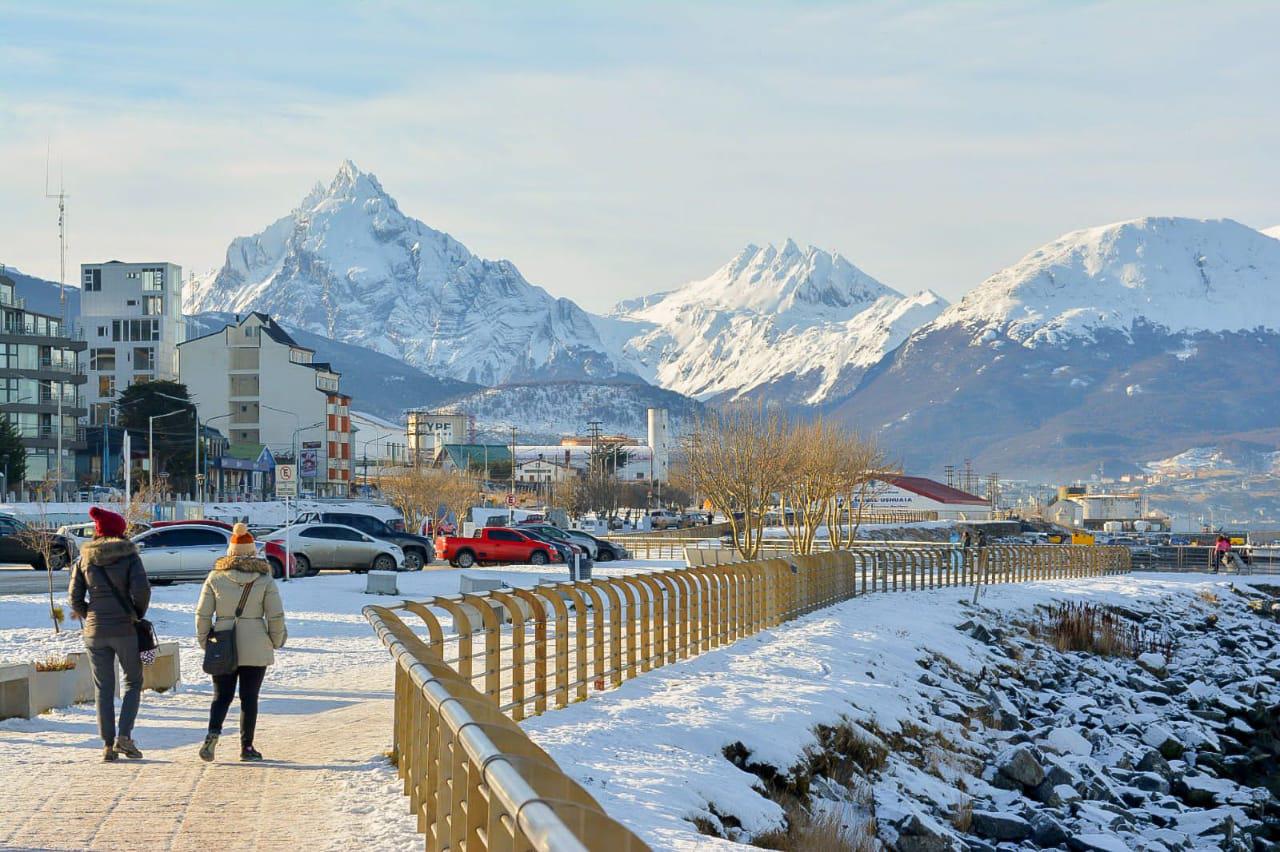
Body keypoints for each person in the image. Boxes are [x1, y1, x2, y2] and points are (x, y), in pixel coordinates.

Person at [195, 523, 287, 762]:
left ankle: (212, 736)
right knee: (249, 697)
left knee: (221, 695)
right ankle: (247, 747)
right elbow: (275, 614)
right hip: (256, 642)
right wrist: (275, 640)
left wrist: (205, 641)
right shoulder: (265, 579)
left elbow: (203, 614)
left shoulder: (215, 577)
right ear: (252, 552)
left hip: (223, 640)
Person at [68, 506, 150, 762]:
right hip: (125, 629)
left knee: (103, 688)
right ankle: (124, 738)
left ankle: (106, 745)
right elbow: (142, 591)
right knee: (133, 682)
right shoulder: (130, 558)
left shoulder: (84, 560)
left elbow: (74, 597)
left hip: (94, 631)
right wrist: (135, 612)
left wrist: (89, 613)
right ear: (120, 532)